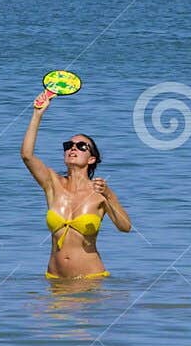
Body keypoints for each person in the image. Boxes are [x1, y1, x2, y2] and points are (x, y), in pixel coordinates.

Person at [21, 95, 132, 279]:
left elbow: (125, 227)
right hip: (55, 280)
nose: (73, 148)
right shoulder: (52, 183)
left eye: (81, 146)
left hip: (90, 280)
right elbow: (27, 155)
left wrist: (109, 194)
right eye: (68, 145)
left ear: (91, 159)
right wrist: (37, 115)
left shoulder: (99, 192)